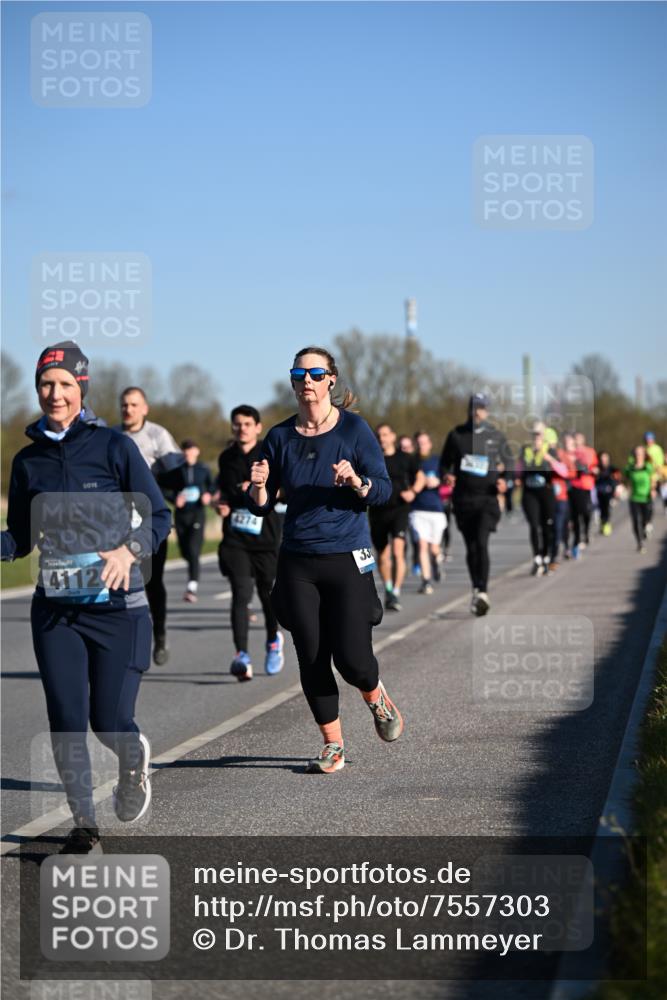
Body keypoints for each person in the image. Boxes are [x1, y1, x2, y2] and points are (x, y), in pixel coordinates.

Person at [1, 342, 171, 854]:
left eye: (65, 385)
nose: (54, 394)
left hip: (116, 609)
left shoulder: (115, 448)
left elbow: (158, 516)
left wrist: (129, 551)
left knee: (109, 720)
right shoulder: (28, 461)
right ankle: (84, 827)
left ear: (82, 390)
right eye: (46, 385)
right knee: (66, 720)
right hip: (56, 612)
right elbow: (20, 537)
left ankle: (131, 761)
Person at [246, 346, 401, 774]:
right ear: (293, 381)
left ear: (331, 380)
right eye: (300, 373)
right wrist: (259, 486)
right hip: (298, 561)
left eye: (316, 373)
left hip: (347, 556)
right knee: (312, 656)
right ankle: (333, 744)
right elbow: (260, 506)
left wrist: (357, 481)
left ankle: (375, 696)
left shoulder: (354, 430)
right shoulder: (279, 437)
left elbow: (384, 490)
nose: (308, 380)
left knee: (352, 659)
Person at [215, 405, 284, 679]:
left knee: (268, 597)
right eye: (237, 424)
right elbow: (225, 492)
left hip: (266, 537)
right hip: (235, 538)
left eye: (247, 424)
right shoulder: (225, 458)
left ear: (257, 427)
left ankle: (273, 641)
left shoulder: (269, 455)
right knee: (241, 595)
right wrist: (222, 503)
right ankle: (241, 655)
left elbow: (281, 490)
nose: (241, 428)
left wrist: (257, 489)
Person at [117, 387, 183, 664]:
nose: (128, 409)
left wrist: (149, 482)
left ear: (145, 408)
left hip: (151, 519)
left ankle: (160, 635)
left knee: (152, 582)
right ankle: (124, 643)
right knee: (119, 580)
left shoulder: (157, 435)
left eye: (134, 404)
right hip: (119, 521)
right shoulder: (112, 437)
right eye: (124, 405)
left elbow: (177, 477)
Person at [440, 393, 514, 616]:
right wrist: (447, 476)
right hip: (463, 499)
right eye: (474, 407)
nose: (477, 411)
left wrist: (506, 481)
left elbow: (510, 464)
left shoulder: (496, 436)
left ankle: (483, 591)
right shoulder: (457, 435)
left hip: (487, 499)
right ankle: (476, 588)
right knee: (471, 547)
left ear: (487, 411)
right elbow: (444, 464)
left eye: (481, 408)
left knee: (481, 542)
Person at [369, 423, 424, 611]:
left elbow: (421, 477)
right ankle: (389, 589)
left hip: (400, 508)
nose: (382, 438)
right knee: (383, 556)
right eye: (379, 435)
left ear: (393, 437)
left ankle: (397, 592)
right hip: (378, 511)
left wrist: (413, 492)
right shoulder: (371, 459)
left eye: (385, 434)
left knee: (398, 551)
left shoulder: (405, 458)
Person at [159, 439, 213, 602]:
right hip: (181, 515)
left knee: (194, 549)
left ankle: (192, 586)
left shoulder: (203, 470)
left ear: (197, 452)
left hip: (197, 513)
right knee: (184, 551)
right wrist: (174, 498)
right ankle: (192, 573)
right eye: (185, 451)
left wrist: (208, 495)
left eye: (191, 450)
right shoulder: (176, 472)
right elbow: (161, 486)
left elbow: (213, 486)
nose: (188, 453)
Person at [516, 422, 569, 576]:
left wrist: (549, 459)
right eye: (534, 434)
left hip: (546, 492)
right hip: (529, 493)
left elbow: (564, 472)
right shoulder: (525, 450)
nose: (536, 437)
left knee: (546, 526)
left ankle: (546, 555)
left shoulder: (551, 451)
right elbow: (518, 470)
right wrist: (516, 476)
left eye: (539, 434)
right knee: (533, 525)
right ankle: (537, 557)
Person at [410, 431, 447, 595]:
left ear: (430, 444)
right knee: (422, 545)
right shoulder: (412, 462)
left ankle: (437, 562)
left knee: (434, 548)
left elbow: (448, 482)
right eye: (419, 443)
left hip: (436, 509)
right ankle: (426, 581)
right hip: (418, 510)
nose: (422, 446)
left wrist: (438, 482)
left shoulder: (437, 462)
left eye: (424, 442)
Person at [569, 431, 598, 558]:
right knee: (575, 514)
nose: (577, 441)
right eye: (575, 439)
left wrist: (591, 469)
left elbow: (594, 467)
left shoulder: (590, 451)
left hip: (587, 485)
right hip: (574, 485)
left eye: (579, 439)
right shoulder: (570, 453)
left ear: (583, 440)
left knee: (586, 512)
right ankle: (578, 537)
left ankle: (586, 531)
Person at [549, 430, 575, 568]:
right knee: (550, 526)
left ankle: (558, 552)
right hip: (547, 496)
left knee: (561, 525)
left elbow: (570, 472)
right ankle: (549, 553)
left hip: (562, 495)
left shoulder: (561, 455)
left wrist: (553, 462)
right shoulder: (539, 455)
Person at [624, 446, 654, 553]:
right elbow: (626, 479)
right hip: (634, 498)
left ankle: (646, 527)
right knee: (635, 521)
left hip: (646, 497)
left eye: (640, 453)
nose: (638, 455)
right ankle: (639, 543)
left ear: (644, 454)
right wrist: (626, 489)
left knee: (645, 519)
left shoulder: (648, 467)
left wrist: (653, 489)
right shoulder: (630, 468)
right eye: (636, 453)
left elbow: (652, 479)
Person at [643, 433, 665, 534]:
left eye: (650, 439)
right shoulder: (644, 449)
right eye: (647, 439)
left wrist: (658, 474)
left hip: (655, 478)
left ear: (653, 439)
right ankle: (647, 521)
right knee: (646, 501)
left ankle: (648, 521)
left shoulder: (657, 449)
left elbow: (660, 463)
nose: (648, 441)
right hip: (645, 478)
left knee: (651, 500)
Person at [595, 451, 620, 537]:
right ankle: (603, 523)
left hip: (609, 492)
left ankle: (606, 524)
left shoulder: (612, 469)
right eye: (602, 458)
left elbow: (616, 480)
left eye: (605, 458)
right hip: (599, 491)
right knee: (601, 509)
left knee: (607, 508)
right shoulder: (597, 468)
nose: (604, 460)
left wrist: (616, 490)